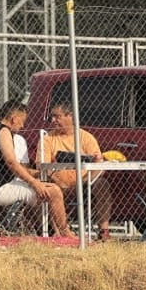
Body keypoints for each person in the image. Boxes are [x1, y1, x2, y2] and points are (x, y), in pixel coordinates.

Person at [0, 99, 69, 236]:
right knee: (54, 191)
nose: (23, 125)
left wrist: (35, 175)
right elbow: (11, 162)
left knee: (46, 190)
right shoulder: (4, 132)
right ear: (14, 119)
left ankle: (52, 232)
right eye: (22, 121)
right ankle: (65, 233)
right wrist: (34, 182)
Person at [40, 100, 111, 240]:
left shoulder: (85, 137)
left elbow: (99, 165)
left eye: (57, 116)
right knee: (51, 188)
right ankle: (60, 233)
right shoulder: (48, 139)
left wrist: (86, 181)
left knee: (102, 184)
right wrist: (59, 181)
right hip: (58, 185)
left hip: (84, 184)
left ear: (70, 116)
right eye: (51, 117)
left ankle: (104, 232)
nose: (52, 120)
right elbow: (42, 167)